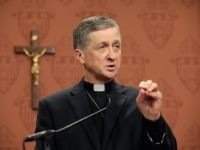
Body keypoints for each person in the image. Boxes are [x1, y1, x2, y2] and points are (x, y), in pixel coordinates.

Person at [35, 16, 177, 150]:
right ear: (80, 56)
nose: (112, 55)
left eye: (116, 46)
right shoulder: (54, 107)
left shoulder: (140, 101)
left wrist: (153, 120)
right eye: (102, 47)